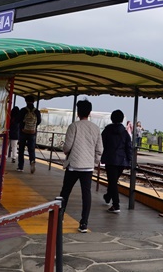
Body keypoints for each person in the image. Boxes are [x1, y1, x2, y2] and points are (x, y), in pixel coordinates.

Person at [59, 99, 103, 233]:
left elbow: (67, 146)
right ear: (89, 112)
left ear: (78, 112)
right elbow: (99, 149)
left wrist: (66, 151)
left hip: (73, 165)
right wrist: (94, 162)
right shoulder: (95, 128)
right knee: (86, 194)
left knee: (65, 191)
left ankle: (60, 216)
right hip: (87, 167)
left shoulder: (74, 126)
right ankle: (84, 223)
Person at [100, 109, 132, 213]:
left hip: (110, 159)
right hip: (122, 161)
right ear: (122, 119)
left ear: (112, 118)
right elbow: (128, 147)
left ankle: (116, 205)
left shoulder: (107, 131)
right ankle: (108, 197)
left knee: (112, 182)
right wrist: (129, 160)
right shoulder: (125, 133)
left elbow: (101, 144)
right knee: (113, 182)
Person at [17, 95, 42, 173]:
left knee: (21, 150)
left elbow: (18, 120)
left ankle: (21, 167)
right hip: (32, 133)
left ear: (25, 101)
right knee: (31, 150)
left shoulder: (23, 110)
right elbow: (39, 121)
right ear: (34, 101)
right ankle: (32, 161)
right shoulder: (37, 111)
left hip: (23, 132)